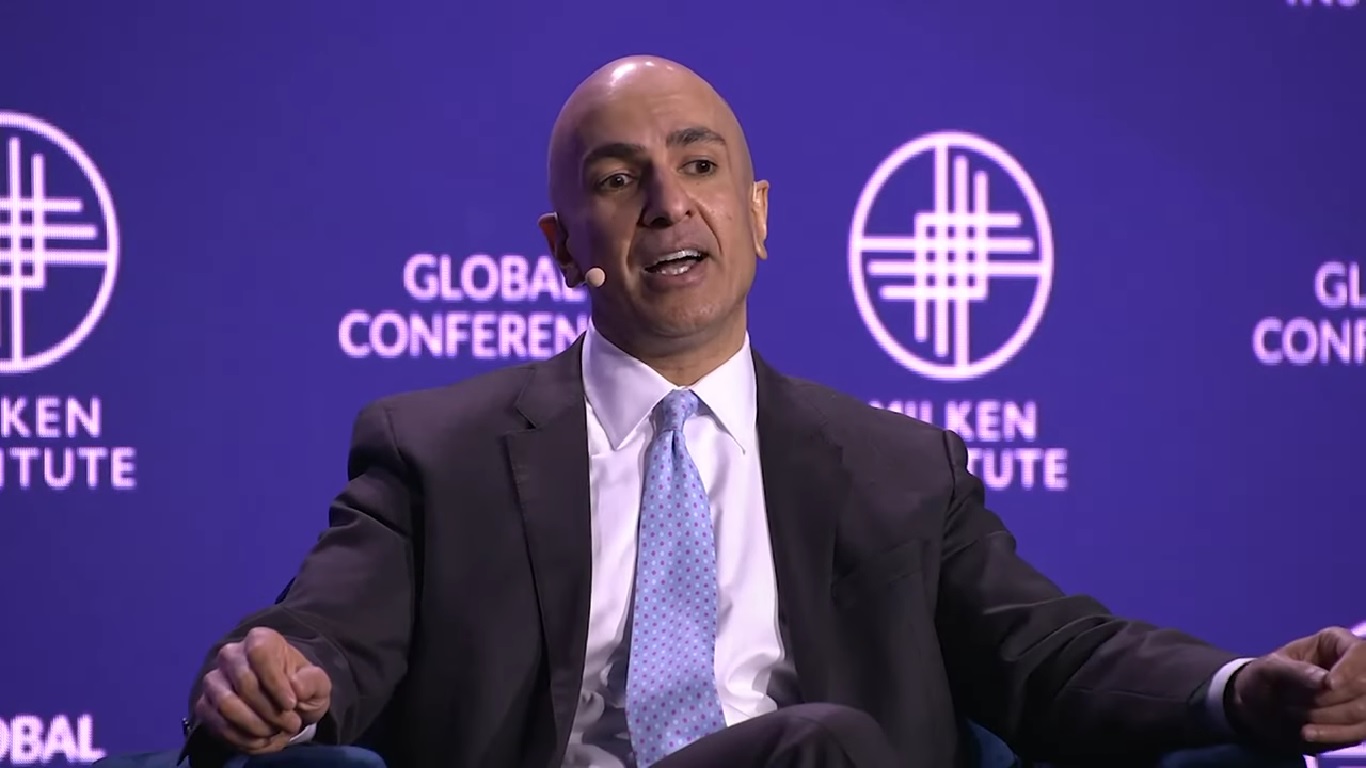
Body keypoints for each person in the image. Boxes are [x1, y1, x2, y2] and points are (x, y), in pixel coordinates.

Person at [182, 55, 1366, 768]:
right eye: (617, 181)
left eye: (698, 167)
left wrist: (1238, 688)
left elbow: (1048, 653)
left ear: (755, 214)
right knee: (827, 746)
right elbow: (326, 638)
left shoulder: (900, 470)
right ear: (563, 248)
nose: (666, 204)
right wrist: (276, 676)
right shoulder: (436, 454)